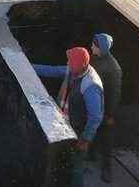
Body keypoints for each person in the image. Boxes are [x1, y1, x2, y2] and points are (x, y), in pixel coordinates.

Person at [33, 47, 104, 187]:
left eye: (70, 62)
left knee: (77, 167)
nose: (67, 63)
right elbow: (52, 71)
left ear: (78, 66)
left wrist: (85, 139)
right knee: (66, 163)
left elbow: (95, 117)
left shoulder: (91, 85)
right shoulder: (73, 70)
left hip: (78, 132)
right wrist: (30, 67)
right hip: (66, 123)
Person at [88, 33, 123, 183]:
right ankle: (92, 154)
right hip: (96, 105)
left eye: (94, 45)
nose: (91, 47)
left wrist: (109, 115)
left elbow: (115, 93)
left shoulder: (113, 68)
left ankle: (107, 167)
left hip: (106, 108)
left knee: (106, 138)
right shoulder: (96, 58)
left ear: (100, 48)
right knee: (95, 132)